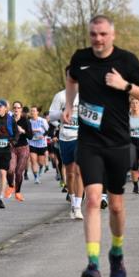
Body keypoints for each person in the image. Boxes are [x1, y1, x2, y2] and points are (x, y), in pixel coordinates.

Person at [64, 14, 139, 277]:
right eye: (93, 34)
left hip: (117, 143)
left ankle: (116, 253)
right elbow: (70, 77)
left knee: (115, 206)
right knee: (92, 200)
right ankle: (93, 265)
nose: (98, 39)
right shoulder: (80, 58)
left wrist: (126, 86)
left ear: (112, 35)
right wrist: (70, 105)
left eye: (103, 34)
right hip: (89, 142)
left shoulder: (126, 61)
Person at [50, 81, 84, 219]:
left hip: (81, 138)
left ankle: (78, 207)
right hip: (65, 138)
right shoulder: (60, 96)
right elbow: (51, 116)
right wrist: (62, 114)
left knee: (79, 172)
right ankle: (72, 201)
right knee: (69, 174)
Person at [7, 101, 31, 202]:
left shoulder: (25, 120)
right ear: (13, 109)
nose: (16, 110)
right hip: (12, 147)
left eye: (18, 108)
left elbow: (30, 136)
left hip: (23, 148)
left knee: (18, 172)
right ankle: (11, 186)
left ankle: (18, 192)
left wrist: (23, 131)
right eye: (15, 108)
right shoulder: (9, 120)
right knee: (10, 170)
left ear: (21, 109)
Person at [26, 106, 50, 183]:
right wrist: (31, 133)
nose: (32, 112)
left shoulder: (42, 120)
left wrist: (43, 136)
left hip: (41, 144)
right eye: (31, 111)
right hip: (32, 143)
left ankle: (41, 169)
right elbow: (27, 132)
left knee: (40, 162)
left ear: (37, 112)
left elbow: (48, 130)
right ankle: (36, 177)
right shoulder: (29, 121)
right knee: (33, 161)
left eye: (33, 111)